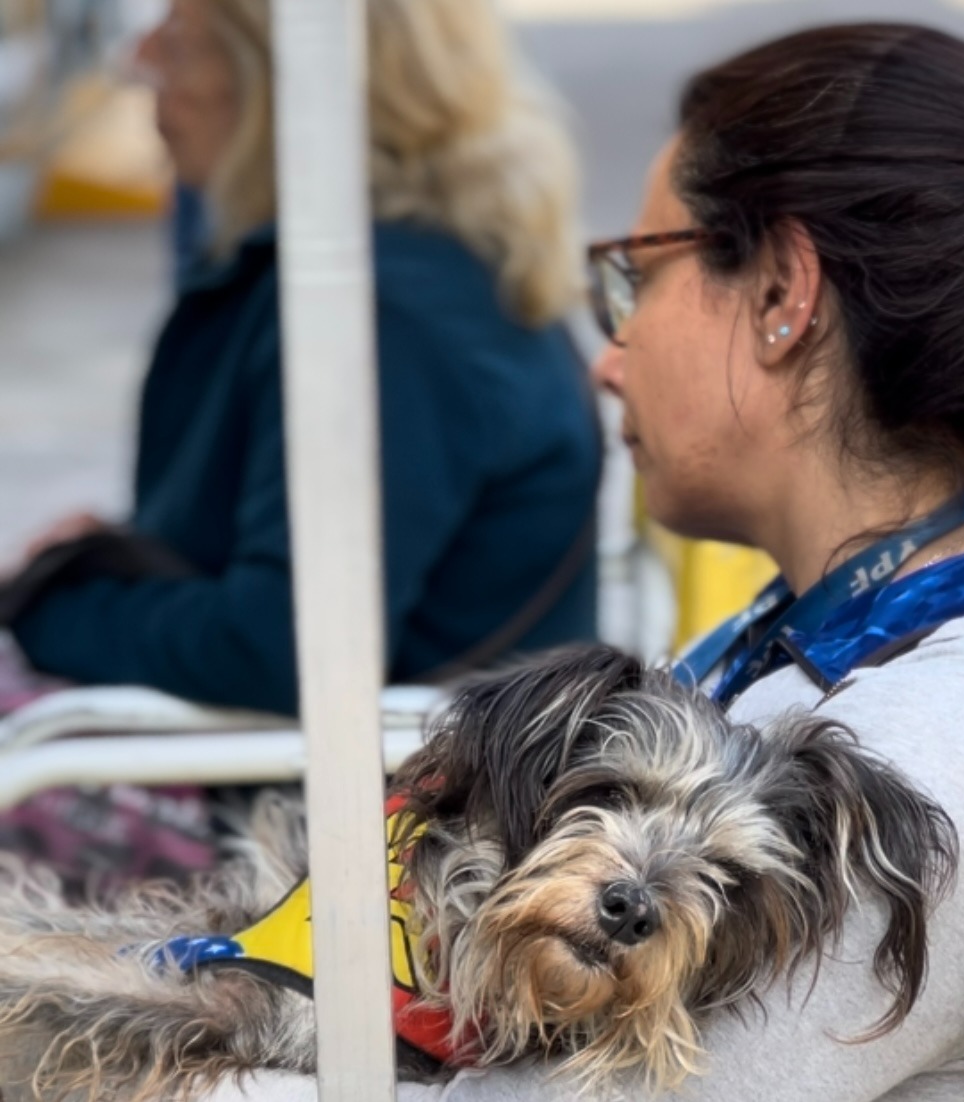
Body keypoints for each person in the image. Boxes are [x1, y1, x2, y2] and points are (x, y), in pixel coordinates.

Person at [217, 21, 964, 1102]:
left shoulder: (929, 754)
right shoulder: (871, 627)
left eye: (635, 279)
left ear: (783, 298)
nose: (609, 364)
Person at [0, 0, 599, 890]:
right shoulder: (413, 270)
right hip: (337, 783)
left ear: (273, 82)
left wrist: (53, 596)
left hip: (351, 843)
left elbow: (281, 646)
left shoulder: (374, 313)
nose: (143, 57)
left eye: (183, 33)